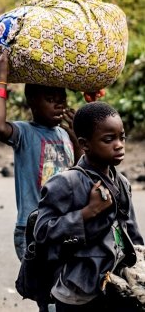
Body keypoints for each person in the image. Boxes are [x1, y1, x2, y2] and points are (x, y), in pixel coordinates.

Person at [34, 101, 143, 311]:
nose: (119, 144)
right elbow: (43, 232)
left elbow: (132, 233)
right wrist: (88, 212)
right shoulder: (66, 183)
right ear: (84, 144)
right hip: (78, 289)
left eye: (122, 137)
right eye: (109, 139)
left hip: (117, 284)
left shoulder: (122, 182)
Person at [0, 51, 81, 263]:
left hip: (64, 225)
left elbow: (79, 175)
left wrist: (78, 141)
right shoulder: (25, 133)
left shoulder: (66, 134)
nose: (59, 105)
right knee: (44, 290)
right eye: (50, 100)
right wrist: (2, 78)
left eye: (62, 100)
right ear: (32, 102)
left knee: (62, 291)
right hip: (33, 227)